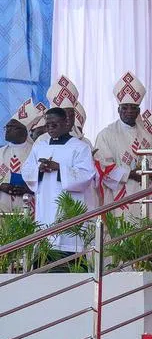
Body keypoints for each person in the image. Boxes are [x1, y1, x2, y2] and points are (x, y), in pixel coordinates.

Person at [21, 108, 97, 256]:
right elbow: (26, 170)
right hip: (45, 208)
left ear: (66, 122)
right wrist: (39, 168)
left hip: (69, 206)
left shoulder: (80, 147)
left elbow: (86, 175)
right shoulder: (40, 146)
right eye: (47, 125)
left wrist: (59, 168)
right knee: (45, 246)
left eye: (54, 125)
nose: (50, 128)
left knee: (68, 246)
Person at [93, 72, 152, 216]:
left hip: (144, 192)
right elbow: (102, 166)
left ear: (138, 111)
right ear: (118, 109)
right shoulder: (106, 134)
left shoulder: (147, 136)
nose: (129, 111)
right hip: (119, 195)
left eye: (133, 108)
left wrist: (151, 172)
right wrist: (130, 174)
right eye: (125, 107)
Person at [0, 100, 38, 215]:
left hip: (28, 205)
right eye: (7, 127)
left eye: (12, 127)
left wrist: (28, 188)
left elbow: (44, 180)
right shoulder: (1, 152)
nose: (7, 130)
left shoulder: (35, 151)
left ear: (24, 132)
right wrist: (1, 186)